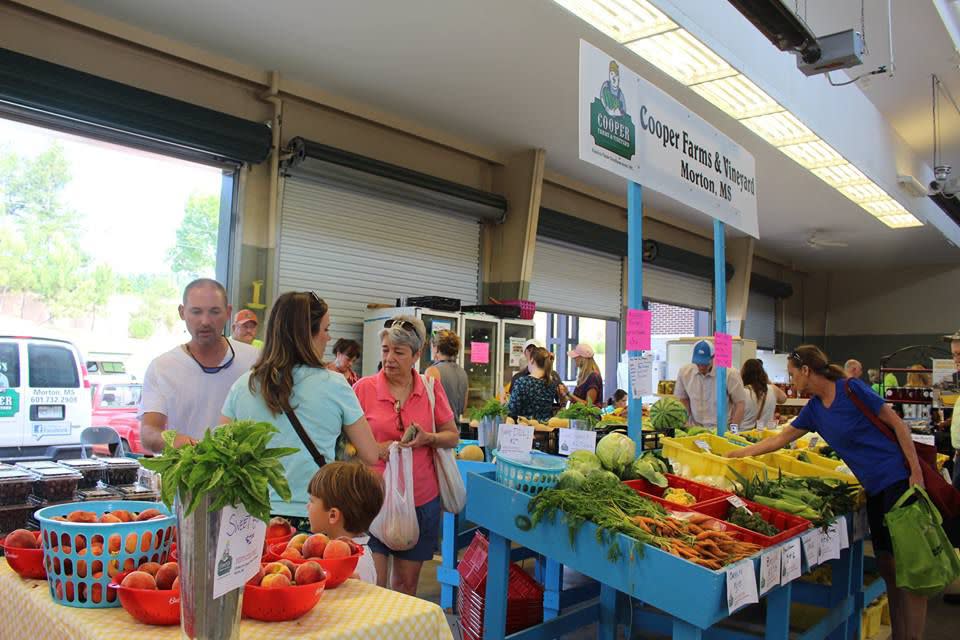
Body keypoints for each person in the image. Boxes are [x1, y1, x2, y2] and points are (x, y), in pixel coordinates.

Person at [727, 345, 926, 639]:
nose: (791, 381)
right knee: (887, 566)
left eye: (793, 374)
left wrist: (916, 471)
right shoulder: (815, 410)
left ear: (806, 370)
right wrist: (736, 454)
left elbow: (897, 423)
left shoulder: (851, 389)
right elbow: (780, 439)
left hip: (897, 480)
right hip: (873, 488)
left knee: (907, 570)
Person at [220, 291, 379, 519]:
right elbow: (371, 454)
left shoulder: (244, 386)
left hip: (252, 519)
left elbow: (221, 454)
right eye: (325, 329)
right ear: (307, 334)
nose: (328, 338)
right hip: (315, 517)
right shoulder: (335, 385)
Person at [353, 315, 459, 596]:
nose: (389, 358)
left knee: (404, 588)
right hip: (371, 500)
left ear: (416, 355)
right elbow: (345, 444)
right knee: (371, 587)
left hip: (421, 502)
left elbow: (452, 435)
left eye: (399, 352)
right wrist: (376, 449)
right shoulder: (363, 389)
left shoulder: (430, 389)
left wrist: (429, 438)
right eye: (386, 350)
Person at [139, 279, 259, 452]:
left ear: (228, 312)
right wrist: (181, 444)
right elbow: (149, 432)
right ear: (182, 312)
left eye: (214, 312)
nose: (205, 321)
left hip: (243, 476)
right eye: (196, 312)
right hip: (185, 475)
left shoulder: (256, 361)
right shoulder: (162, 367)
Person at [306, 462, 384, 584]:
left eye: (311, 501)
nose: (307, 506)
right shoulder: (335, 551)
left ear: (333, 515)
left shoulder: (354, 563)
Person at [673, 340, 746, 430]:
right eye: (698, 363)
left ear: (713, 357)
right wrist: (685, 422)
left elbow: (740, 404)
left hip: (721, 429)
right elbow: (683, 399)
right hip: (695, 428)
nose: (701, 367)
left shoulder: (729, 373)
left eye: (705, 364)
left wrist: (733, 431)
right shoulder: (685, 372)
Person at [424, 330, 469, 421]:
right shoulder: (463, 373)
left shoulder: (432, 371)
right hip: (456, 430)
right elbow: (463, 409)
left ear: (437, 348)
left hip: (438, 432)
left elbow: (426, 407)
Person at [508, 348, 560, 422]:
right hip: (545, 429)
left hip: (526, 429)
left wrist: (504, 402)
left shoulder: (522, 382)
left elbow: (512, 411)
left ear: (532, 360)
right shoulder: (552, 383)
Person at [740, 358, 786, 430]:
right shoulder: (772, 389)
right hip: (766, 435)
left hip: (745, 435)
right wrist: (767, 380)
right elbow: (783, 399)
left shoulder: (743, 392)